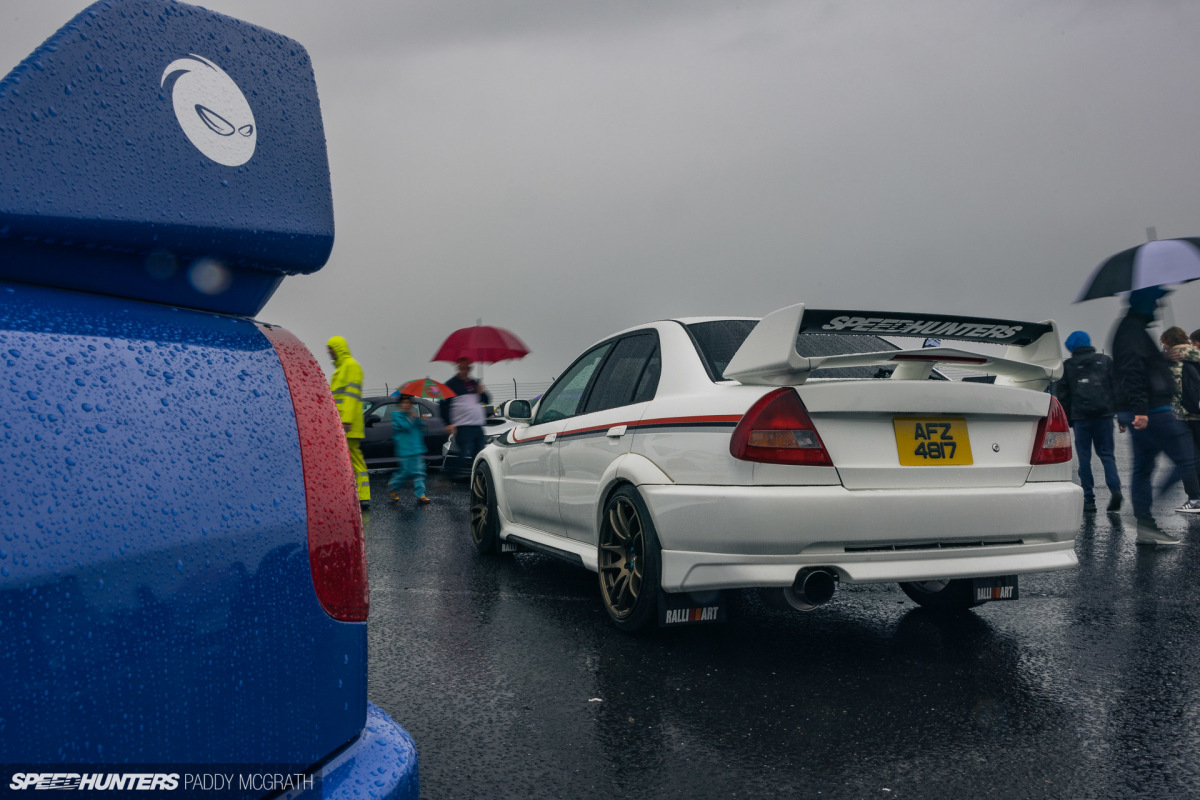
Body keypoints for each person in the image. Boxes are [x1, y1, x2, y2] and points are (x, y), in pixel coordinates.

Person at [1111, 287, 1200, 546]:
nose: (1158, 307)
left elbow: (1137, 366)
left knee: (1143, 468)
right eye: (1154, 302)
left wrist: (1163, 358)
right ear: (1144, 304)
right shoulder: (1132, 333)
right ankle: (1145, 516)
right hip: (1153, 410)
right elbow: (1132, 371)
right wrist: (1139, 410)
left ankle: (1144, 526)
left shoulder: (1131, 330)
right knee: (1189, 457)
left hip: (1144, 409)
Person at [1055, 331, 1122, 513]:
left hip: (1081, 419)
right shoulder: (1105, 361)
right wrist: (1119, 413)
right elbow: (1117, 387)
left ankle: (1089, 498)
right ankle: (1115, 490)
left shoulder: (1067, 366)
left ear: (1071, 346)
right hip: (1104, 416)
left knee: (1084, 459)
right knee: (1107, 455)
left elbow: (1062, 395)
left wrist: (1068, 420)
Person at [327, 335, 370, 509]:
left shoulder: (350, 366)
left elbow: (352, 396)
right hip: (342, 424)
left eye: (331, 348)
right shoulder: (341, 369)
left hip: (347, 425)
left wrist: (346, 421)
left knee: (355, 460)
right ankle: (354, 495)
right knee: (347, 461)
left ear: (339, 348)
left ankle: (363, 496)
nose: (329, 351)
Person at [1160, 326, 1200, 489]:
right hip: (1196, 410)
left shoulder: (1170, 358)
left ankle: (1194, 497)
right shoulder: (1195, 356)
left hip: (1181, 414)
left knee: (1187, 457)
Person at [442, 358, 491, 479]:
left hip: (477, 426)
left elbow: (486, 400)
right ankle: (447, 476)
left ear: (470, 368)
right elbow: (443, 405)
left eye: (467, 368)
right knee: (464, 453)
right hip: (463, 426)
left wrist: (482, 392)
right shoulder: (450, 385)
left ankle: (478, 479)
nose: (465, 370)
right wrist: (448, 423)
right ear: (458, 368)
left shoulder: (474, 383)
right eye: (462, 368)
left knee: (479, 455)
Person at [387, 395, 430, 506]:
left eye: (409, 402)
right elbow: (404, 426)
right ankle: (393, 488)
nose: (407, 405)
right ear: (400, 404)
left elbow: (422, 431)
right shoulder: (397, 416)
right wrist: (412, 418)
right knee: (404, 473)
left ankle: (421, 495)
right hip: (405, 450)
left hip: (417, 449)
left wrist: (423, 422)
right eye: (404, 402)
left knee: (419, 473)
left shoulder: (414, 417)